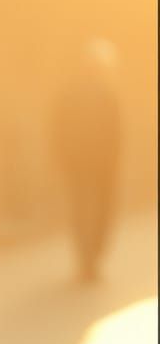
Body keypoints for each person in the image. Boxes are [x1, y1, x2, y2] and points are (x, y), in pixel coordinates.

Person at [48, 36, 122, 283]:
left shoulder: (70, 91)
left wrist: (61, 157)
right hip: (100, 164)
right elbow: (116, 132)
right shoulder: (106, 93)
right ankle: (92, 259)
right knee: (99, 210)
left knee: (81, 209)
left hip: (77, 163)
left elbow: (57, 127)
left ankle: (86, 260)